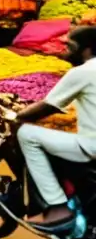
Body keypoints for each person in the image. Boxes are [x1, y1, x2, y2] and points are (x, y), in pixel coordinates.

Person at [15, 26, 96, 227]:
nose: (65, 51)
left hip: (92, 145)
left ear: (86, 49)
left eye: (70, 46)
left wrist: (18, 115)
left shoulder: (83, 71)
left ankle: (57, 206)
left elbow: (48, 106)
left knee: (26, 134)